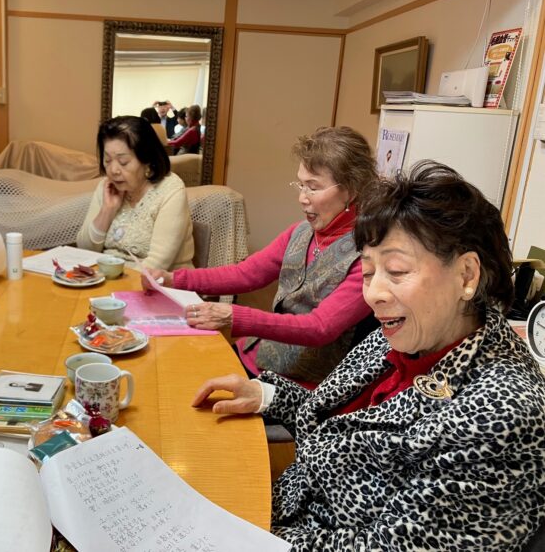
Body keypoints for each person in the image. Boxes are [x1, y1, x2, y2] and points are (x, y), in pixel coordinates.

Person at [192, 161, 545, 550]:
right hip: (283, 507)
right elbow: (344, 422)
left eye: (397, 270)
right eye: (367, 272)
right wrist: (266, 395)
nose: (373, 294)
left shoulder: (501, 413)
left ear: (466, 275)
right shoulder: (408, 332)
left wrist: (245, 538)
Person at [144, 126, 378, 386]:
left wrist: (234, 316)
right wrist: (173, 279)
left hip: (300, 384)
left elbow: (319, 327)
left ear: (352, 190)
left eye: (313, 187)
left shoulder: (368, 258)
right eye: (301, 185)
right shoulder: (301, 232)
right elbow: (245, 274)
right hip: (258, 354)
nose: (302, 198)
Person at [76, 115, 194, 270]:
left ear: (147, 160)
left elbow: (157, 264)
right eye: (107, 160)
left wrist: (112, 280)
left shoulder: (170, 190)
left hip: (158, 281)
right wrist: (107, 210)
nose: (113, 170)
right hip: (107, 278)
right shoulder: (108, 187)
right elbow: (84, 250)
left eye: (123, 162)